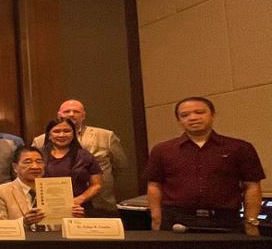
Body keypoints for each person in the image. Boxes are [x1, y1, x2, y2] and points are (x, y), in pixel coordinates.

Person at [145, 97, 264, 235]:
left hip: (225, 220)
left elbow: (252, 186)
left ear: (213, 115)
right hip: (176, 221)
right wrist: (156, 219)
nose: (193, 118)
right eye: (185, 115)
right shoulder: (162, 150)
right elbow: (154, 185)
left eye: (199, 112)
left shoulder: (240, 148)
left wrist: (251, 222)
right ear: (179, 121)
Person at [32, 99, 129, 213]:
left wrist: (82, 197)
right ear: (59, 115)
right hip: (49, 207)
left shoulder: (105, 136)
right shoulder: (39, 142)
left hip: (99, 204)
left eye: (76, 111)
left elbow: (120, 167)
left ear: (83, 115)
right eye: (67, 111)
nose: (71, 114)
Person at [0, 146, 85, 224]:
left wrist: (74, 217)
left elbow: (62, 227)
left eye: (39, 162)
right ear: (15, 167)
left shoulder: (58, 188)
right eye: (28, 162)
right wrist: (23, 222)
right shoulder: (1, 192)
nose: (35, 167)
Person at [38, 117, 103, 212]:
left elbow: (97, 185)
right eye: (56, 131)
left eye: (66, 131)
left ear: (73, 134)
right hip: (46, 210)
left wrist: (79, 200)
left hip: (79, 208)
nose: (61, 135)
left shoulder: (85, 155)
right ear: (49, 135)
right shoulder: (38, 156)